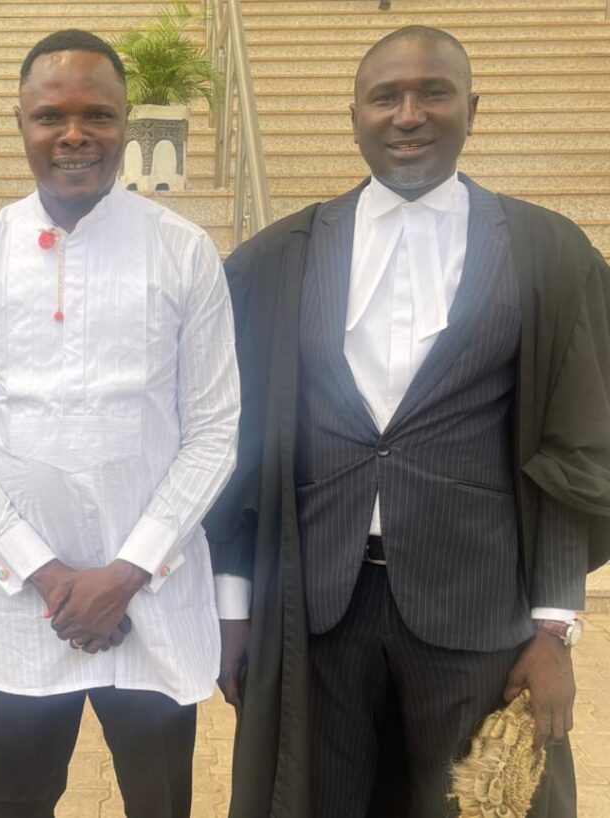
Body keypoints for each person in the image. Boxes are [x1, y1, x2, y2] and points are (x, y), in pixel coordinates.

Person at [206, 25, 610, 818]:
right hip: (319, 606)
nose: (409, 115)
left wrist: (554, 630)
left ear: (473, 109)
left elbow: (573, 450)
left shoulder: (548, 254)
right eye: (385, 96)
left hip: (477, 603)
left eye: (434, 93)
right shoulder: (277, 259)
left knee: (475, 806)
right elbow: (237, 454)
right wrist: (233, 610)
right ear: (352, 113)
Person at [0, 29, 241, 818]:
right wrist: (51, 576)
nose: (74, 135)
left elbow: (214, 432)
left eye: (97, 114)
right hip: (20, 607)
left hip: (153, 598)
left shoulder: (183, 251)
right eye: (50, 116)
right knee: (17, 805)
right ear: (20, 122)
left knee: (160, 803)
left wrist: (126, 571)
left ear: (127, 122)